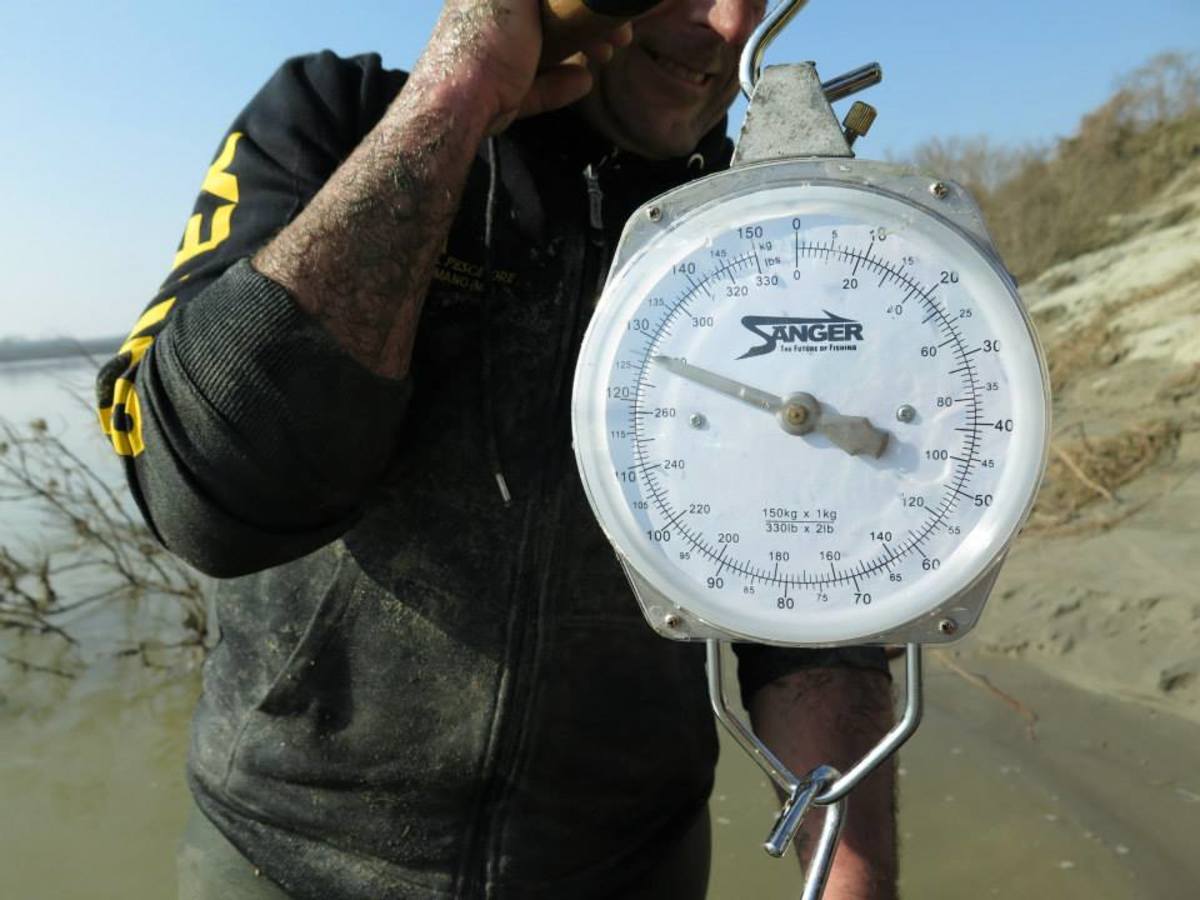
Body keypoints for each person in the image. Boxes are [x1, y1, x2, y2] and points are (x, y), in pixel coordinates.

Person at [96, 1, 897, 897]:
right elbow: (204, 501)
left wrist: (848, 881)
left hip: (630, 867)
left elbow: (825, 593)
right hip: (282, 858)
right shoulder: (335, 117)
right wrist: (458, 96)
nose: (731, 19)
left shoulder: (779, 229)